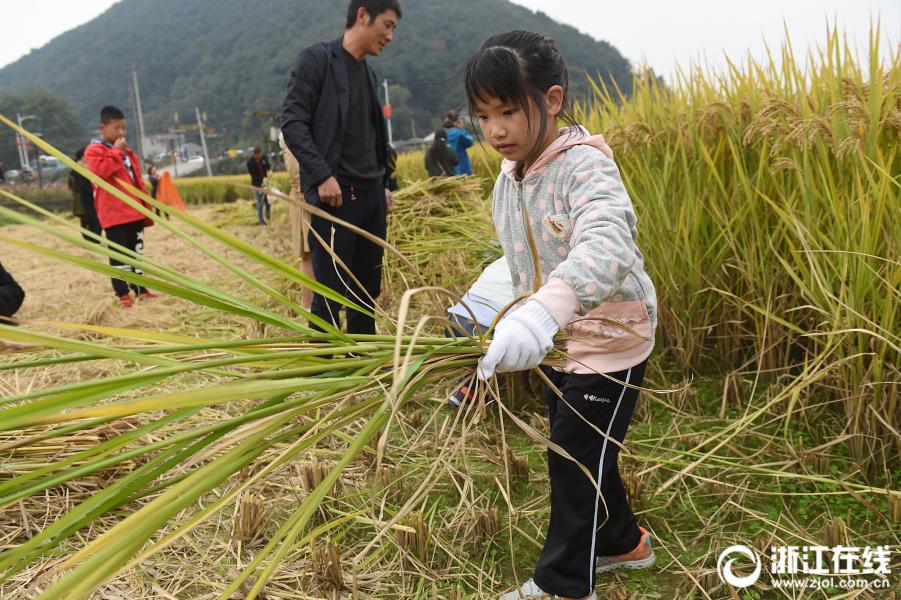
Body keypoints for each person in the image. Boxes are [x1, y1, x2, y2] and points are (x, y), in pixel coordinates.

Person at [464, 31, 658, 600]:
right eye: (483, 116)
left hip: (611, 336)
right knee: (582, 450)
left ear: (550, 100)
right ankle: (622, 542)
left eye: (507, 111)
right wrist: (484, 307)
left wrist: (545, 312)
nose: (495, 130)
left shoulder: (583, 168)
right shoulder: (512, 176)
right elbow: (520, 256)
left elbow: (607, 243)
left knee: (573, 462)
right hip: (561, 341)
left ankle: (565, 585)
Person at [281, 0, 401, 335]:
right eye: (388, 25)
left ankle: (363, 363)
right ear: (363, 15)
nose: (390, 36)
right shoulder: (317, 60)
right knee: (330, 290)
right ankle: (324, 367)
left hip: (371, 196)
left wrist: (385, 184)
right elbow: (292, 123)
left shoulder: (367, 73)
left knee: (366, 290)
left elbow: (374, 137)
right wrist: (322, 175)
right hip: (336, 197)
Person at [85, 105, 158, 308]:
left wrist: (145, 203)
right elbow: (100, 172)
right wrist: (117, 152)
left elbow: (136, 179)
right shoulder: (94, 150)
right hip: (114, 213)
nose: (121, 133)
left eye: (124, 128)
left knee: (136, 253)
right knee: (119, 257)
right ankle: (123, 293)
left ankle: (141, 289)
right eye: (116, 128)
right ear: (103, 127)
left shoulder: (126, 150)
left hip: (134, 210)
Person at [278, 130, 315, 310]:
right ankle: (309, 306)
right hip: (305, 198)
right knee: (308, 255)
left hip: (310, 195)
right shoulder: (291, 130)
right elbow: (298, 175)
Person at [68, 147, 102, 242]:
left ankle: (90, 238)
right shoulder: (80, 169)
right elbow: (80, 185)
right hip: (84, 196)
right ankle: (92, 239)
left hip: (84, 196)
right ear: (83, 156)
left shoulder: (79, 168)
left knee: (87, 218)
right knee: (89, 218)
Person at [443, 110, 474, 175]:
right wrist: (462, 129)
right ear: (455, 122)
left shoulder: (442, 134)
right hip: (462, 169)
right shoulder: (459, 133)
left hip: (447, 170)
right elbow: (470, 142)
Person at [246, 147, 271, 225]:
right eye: (259, 154)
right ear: (255, 154)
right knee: (260, 203)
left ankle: (268, 216)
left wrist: (269, 172)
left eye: (261, 154)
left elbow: (268, 166)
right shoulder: (250, 163)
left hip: (266, 184)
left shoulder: (263, 158)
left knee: (268, 201)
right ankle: (261, 221)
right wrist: (263, 179)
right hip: (257, 185)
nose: (260, 155)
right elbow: (253, 175)